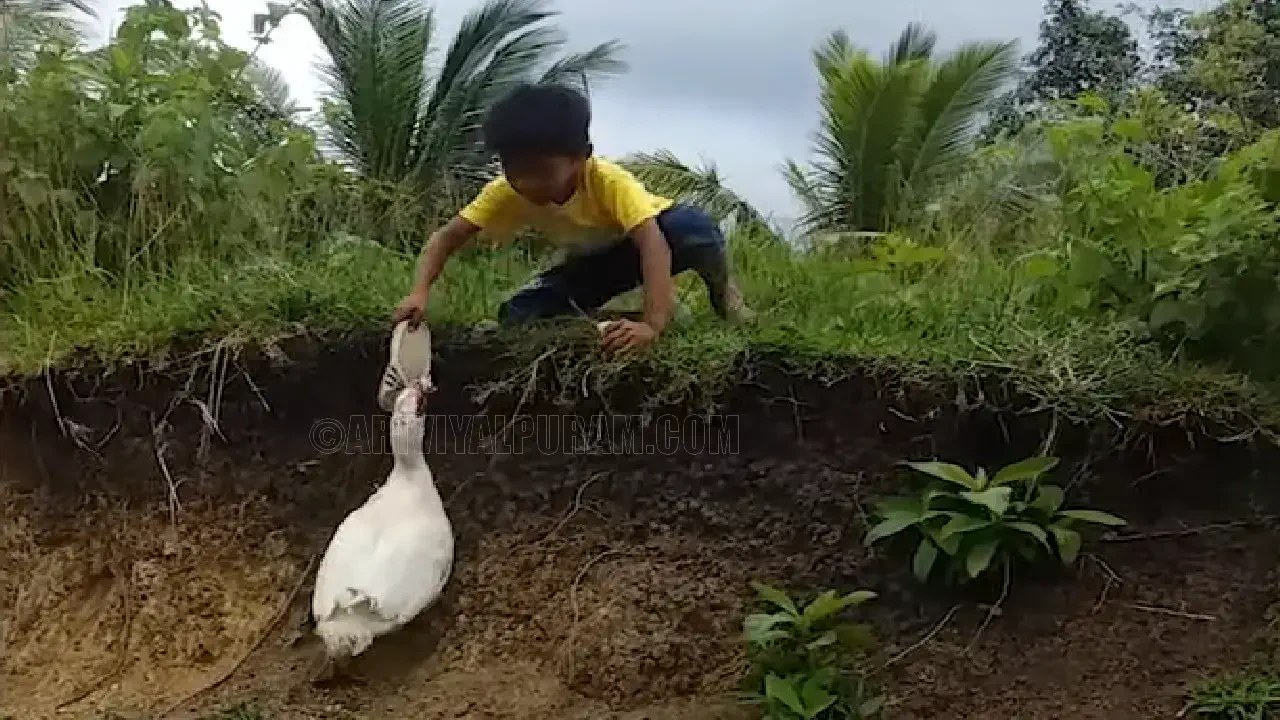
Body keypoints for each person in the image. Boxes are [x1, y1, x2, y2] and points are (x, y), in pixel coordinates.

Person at [390, 82, 753, 355]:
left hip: (664, 236)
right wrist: (419, 292)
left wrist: (652, 326)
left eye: (541, 170)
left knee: (694, 230)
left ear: (582, 156)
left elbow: (652, 242)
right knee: (519, 313)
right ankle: (623, 316)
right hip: (599, 263)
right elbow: (446, 238)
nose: (528, 184)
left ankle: (722, 297)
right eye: (515, 170)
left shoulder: (609, 181)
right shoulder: (505, 192)